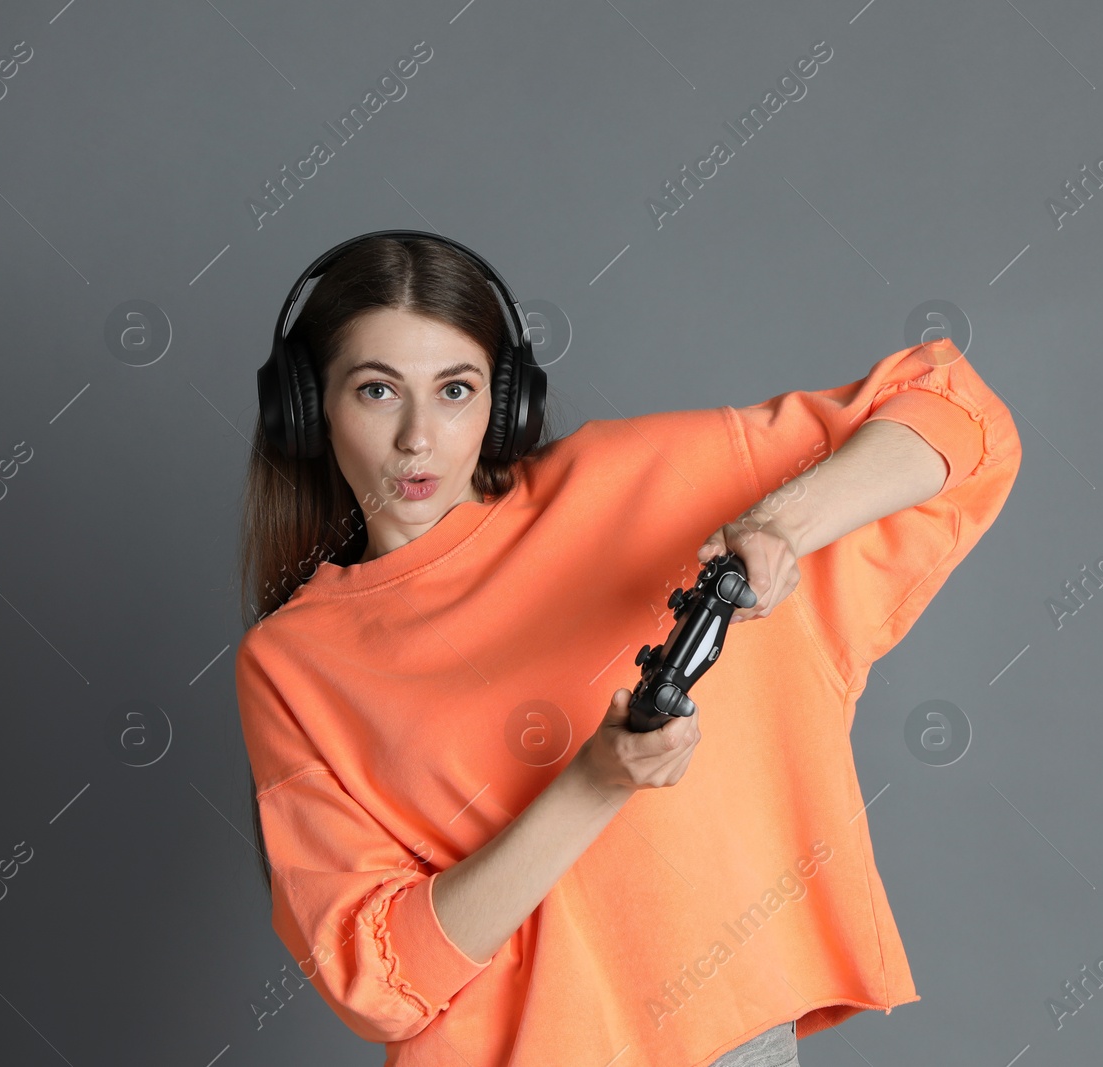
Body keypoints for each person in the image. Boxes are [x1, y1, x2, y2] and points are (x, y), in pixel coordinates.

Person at [234, 233, 1023, 1066]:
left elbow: (953, 408)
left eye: (456, 389)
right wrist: (593, 783)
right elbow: (375, 978)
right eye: (376, 390)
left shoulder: (634, 479)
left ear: (504, 403)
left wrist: (782, 523)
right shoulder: (293, 661)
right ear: (306, 404)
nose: (419, 438)